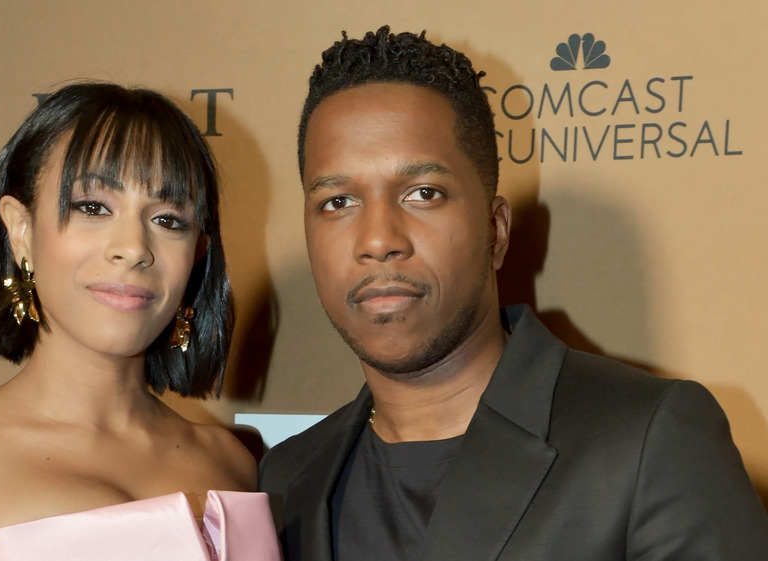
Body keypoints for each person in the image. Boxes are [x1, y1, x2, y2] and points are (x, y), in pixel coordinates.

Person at [259, 26, 768, 561]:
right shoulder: (286, 476)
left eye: (423, 193)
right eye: (338, 202)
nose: (379, 240)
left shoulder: (650, 440)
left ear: (496, 230)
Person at [0, 83, 281, 561]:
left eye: (169, 220)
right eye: (92, 208)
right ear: (20, 231)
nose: (133, 247)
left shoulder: (232, 463)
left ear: (197, 255)